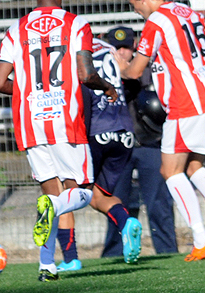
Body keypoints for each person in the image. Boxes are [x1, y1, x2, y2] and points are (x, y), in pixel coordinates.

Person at [0, 0, 118, 282]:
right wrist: (107, 87)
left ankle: (47, 265)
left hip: (31, 123)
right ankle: (55, 216)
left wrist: (27, 93)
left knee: (50, 195)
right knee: (84, 191)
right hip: (66, 122)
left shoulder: (15, 30)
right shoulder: (77, 25)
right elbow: (86, 74)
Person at [115, 0, 205, 262]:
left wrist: (119, 67)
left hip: (186, 101)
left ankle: (203, 239)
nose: (136, 12)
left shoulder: (156, 21)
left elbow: (136, 72)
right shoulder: (190, 12)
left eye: (134, 5)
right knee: (194, 167)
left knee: (170, 171)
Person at [54, 31, 144, 272]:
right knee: (97, 196)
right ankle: (126, 223)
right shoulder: (107, 47)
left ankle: (70, 258)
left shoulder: (73, 50)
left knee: (67, 192)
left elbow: (77, 87)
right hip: (124, 131)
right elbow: (128, 70)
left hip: (94, 130)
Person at [101, 26, 178, 258]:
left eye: (126, 47)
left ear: (135, 47)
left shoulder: (148, 71)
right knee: (116, 203)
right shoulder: (101, 73)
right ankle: (113, 255)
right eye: (117, 48)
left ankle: (167, 252)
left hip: (150, 143)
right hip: (117, 148)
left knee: (159, 203)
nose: (122, 53)